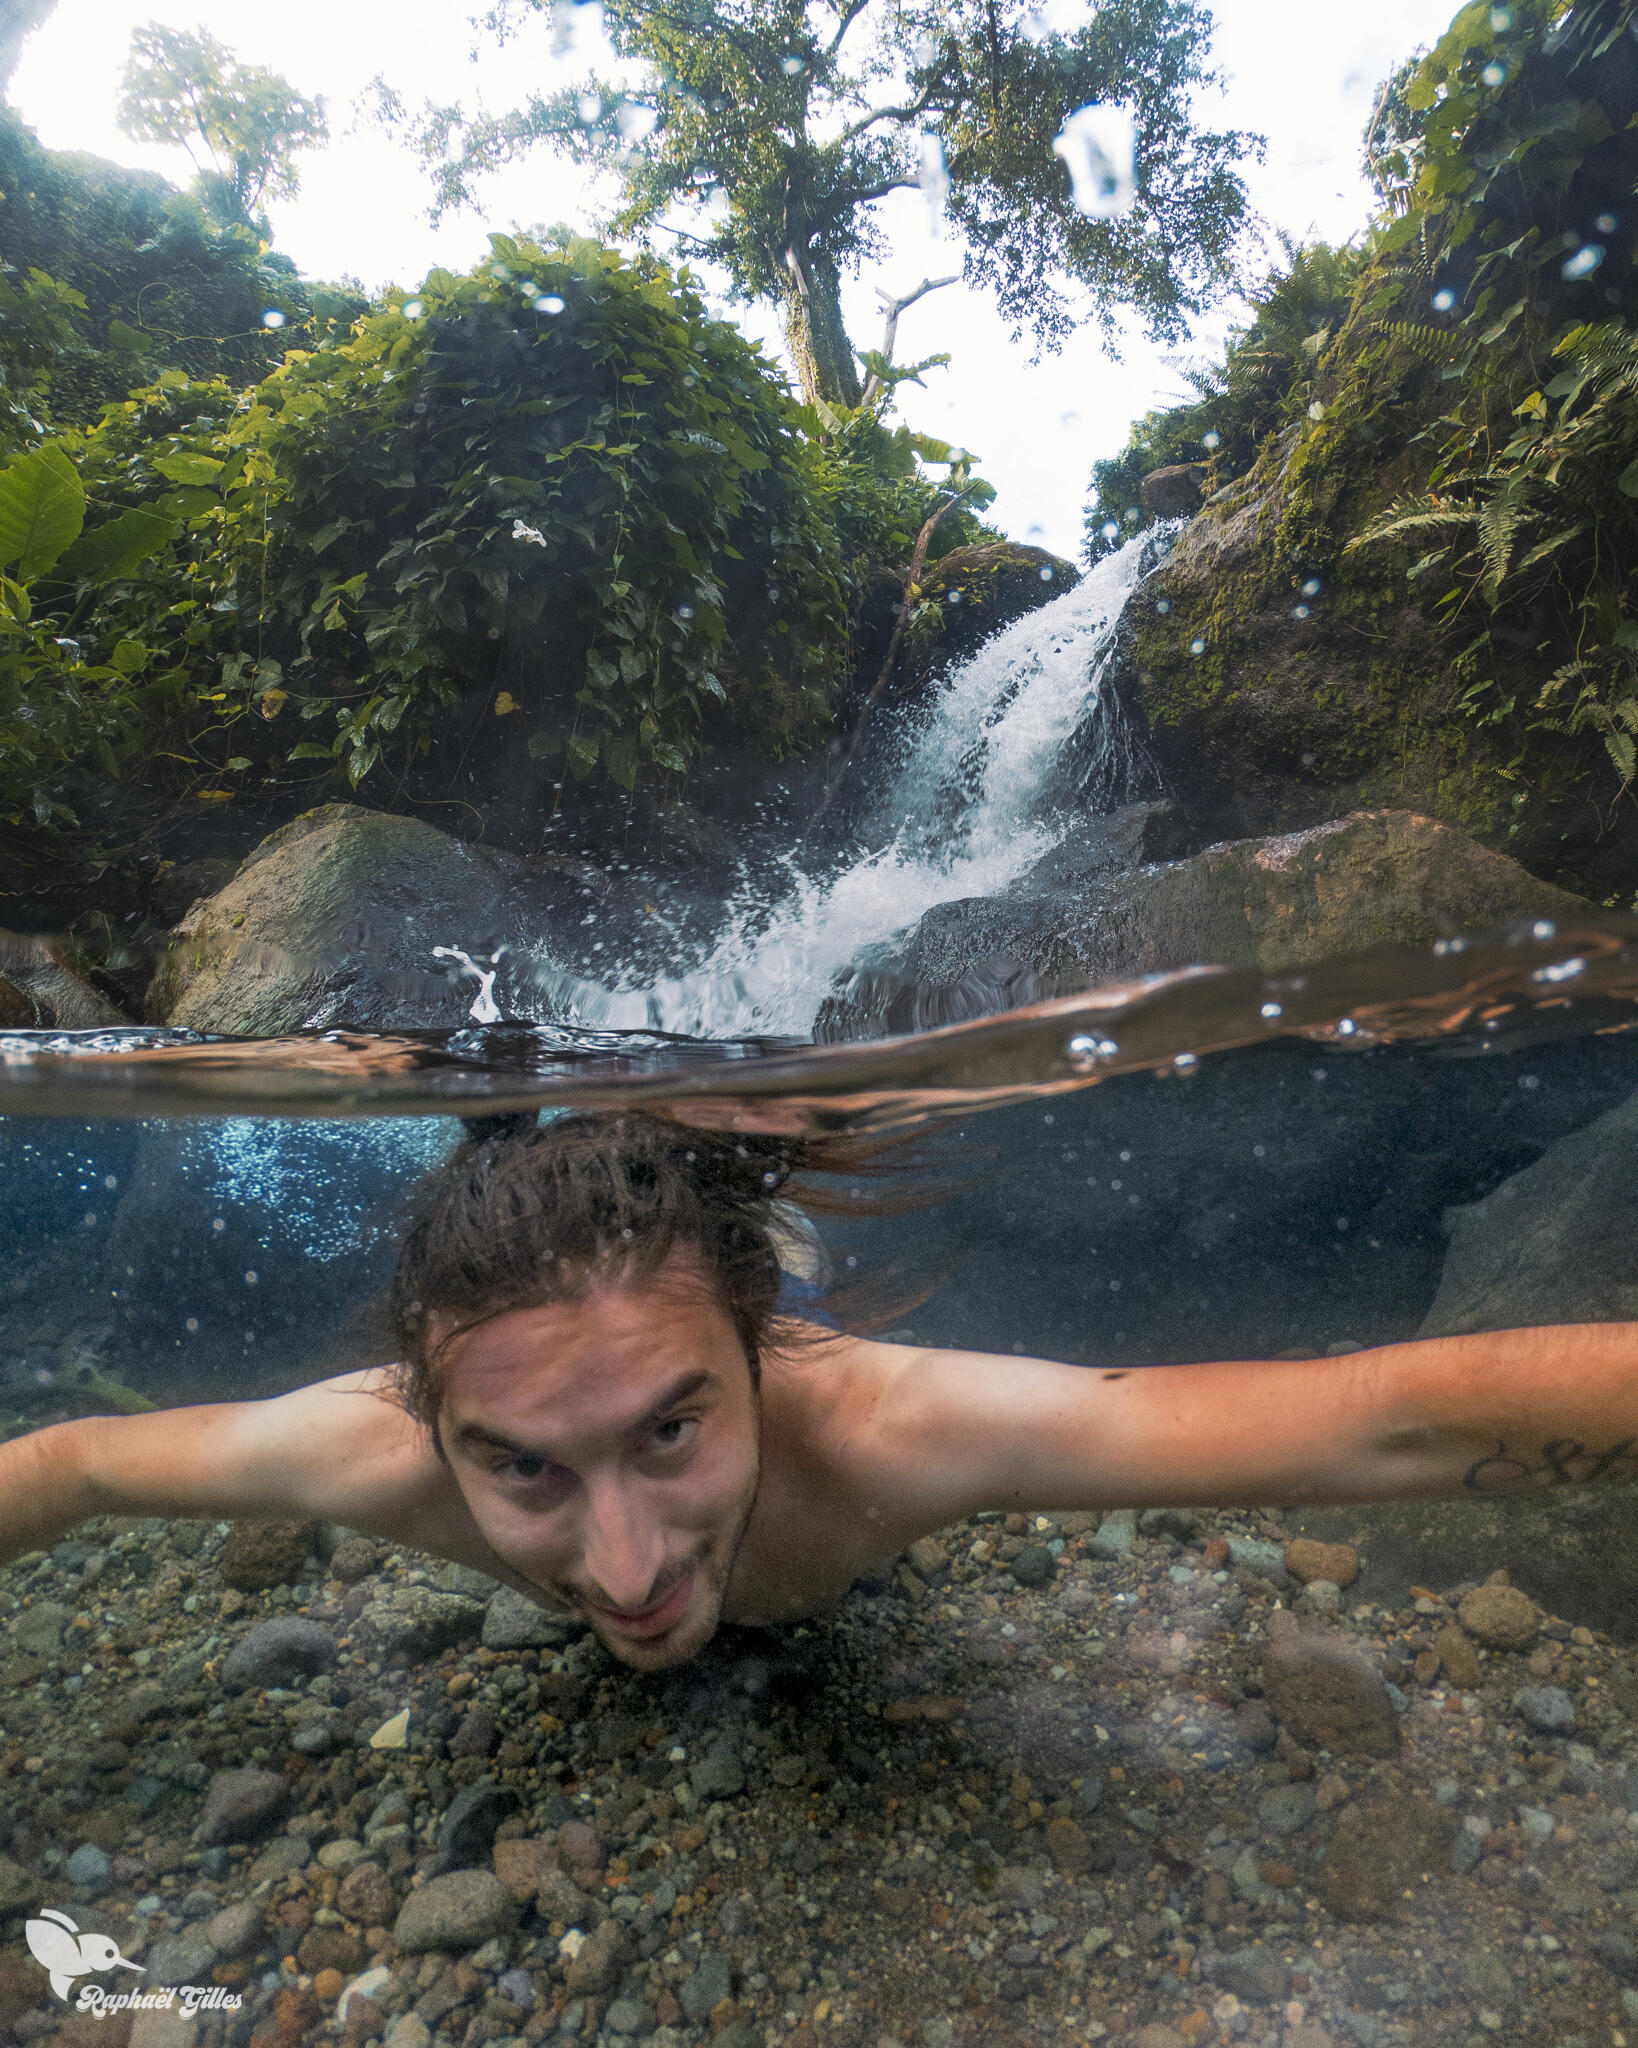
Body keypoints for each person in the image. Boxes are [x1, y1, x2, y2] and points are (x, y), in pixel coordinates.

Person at [1, 1110, 1634, 1675]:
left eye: (668, 1429)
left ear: (753, 1365)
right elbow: (69, 1466)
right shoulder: (361, 1451)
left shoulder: (890, 1423)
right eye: (519, 1470)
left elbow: (1382, 1416)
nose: (626, 1572)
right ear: (427, 1420)